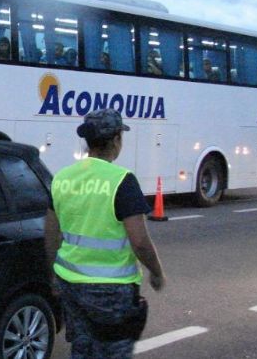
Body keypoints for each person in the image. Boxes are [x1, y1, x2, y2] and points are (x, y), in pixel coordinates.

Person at [45, 108, 166, 359]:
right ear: (115, 140)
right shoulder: (121, 181)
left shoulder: (62, 178)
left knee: (82, 346)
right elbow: (140, 242)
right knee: (113, 351)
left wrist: (53, 275)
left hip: (69, 282)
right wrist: (157, 271)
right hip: (110, 290)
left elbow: (51, 233)